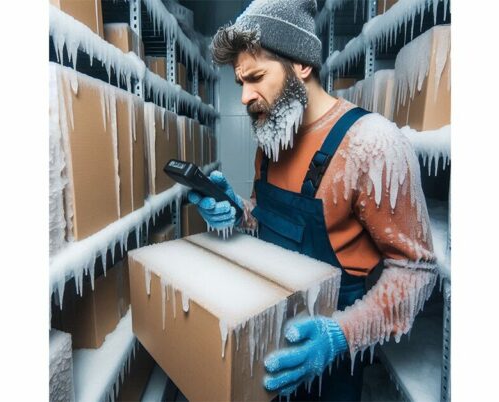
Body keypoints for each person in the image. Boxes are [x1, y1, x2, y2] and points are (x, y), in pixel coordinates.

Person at [187, 0, 439, 400]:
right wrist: (234, 211)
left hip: (331, 366)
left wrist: (341, 335)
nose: (244, 97)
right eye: (241, 83)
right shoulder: (272, 138)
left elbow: (416, 270)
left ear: (301, 64)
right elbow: (267, 223)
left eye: (255, 77)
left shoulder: (372, 144)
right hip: (266, 339)